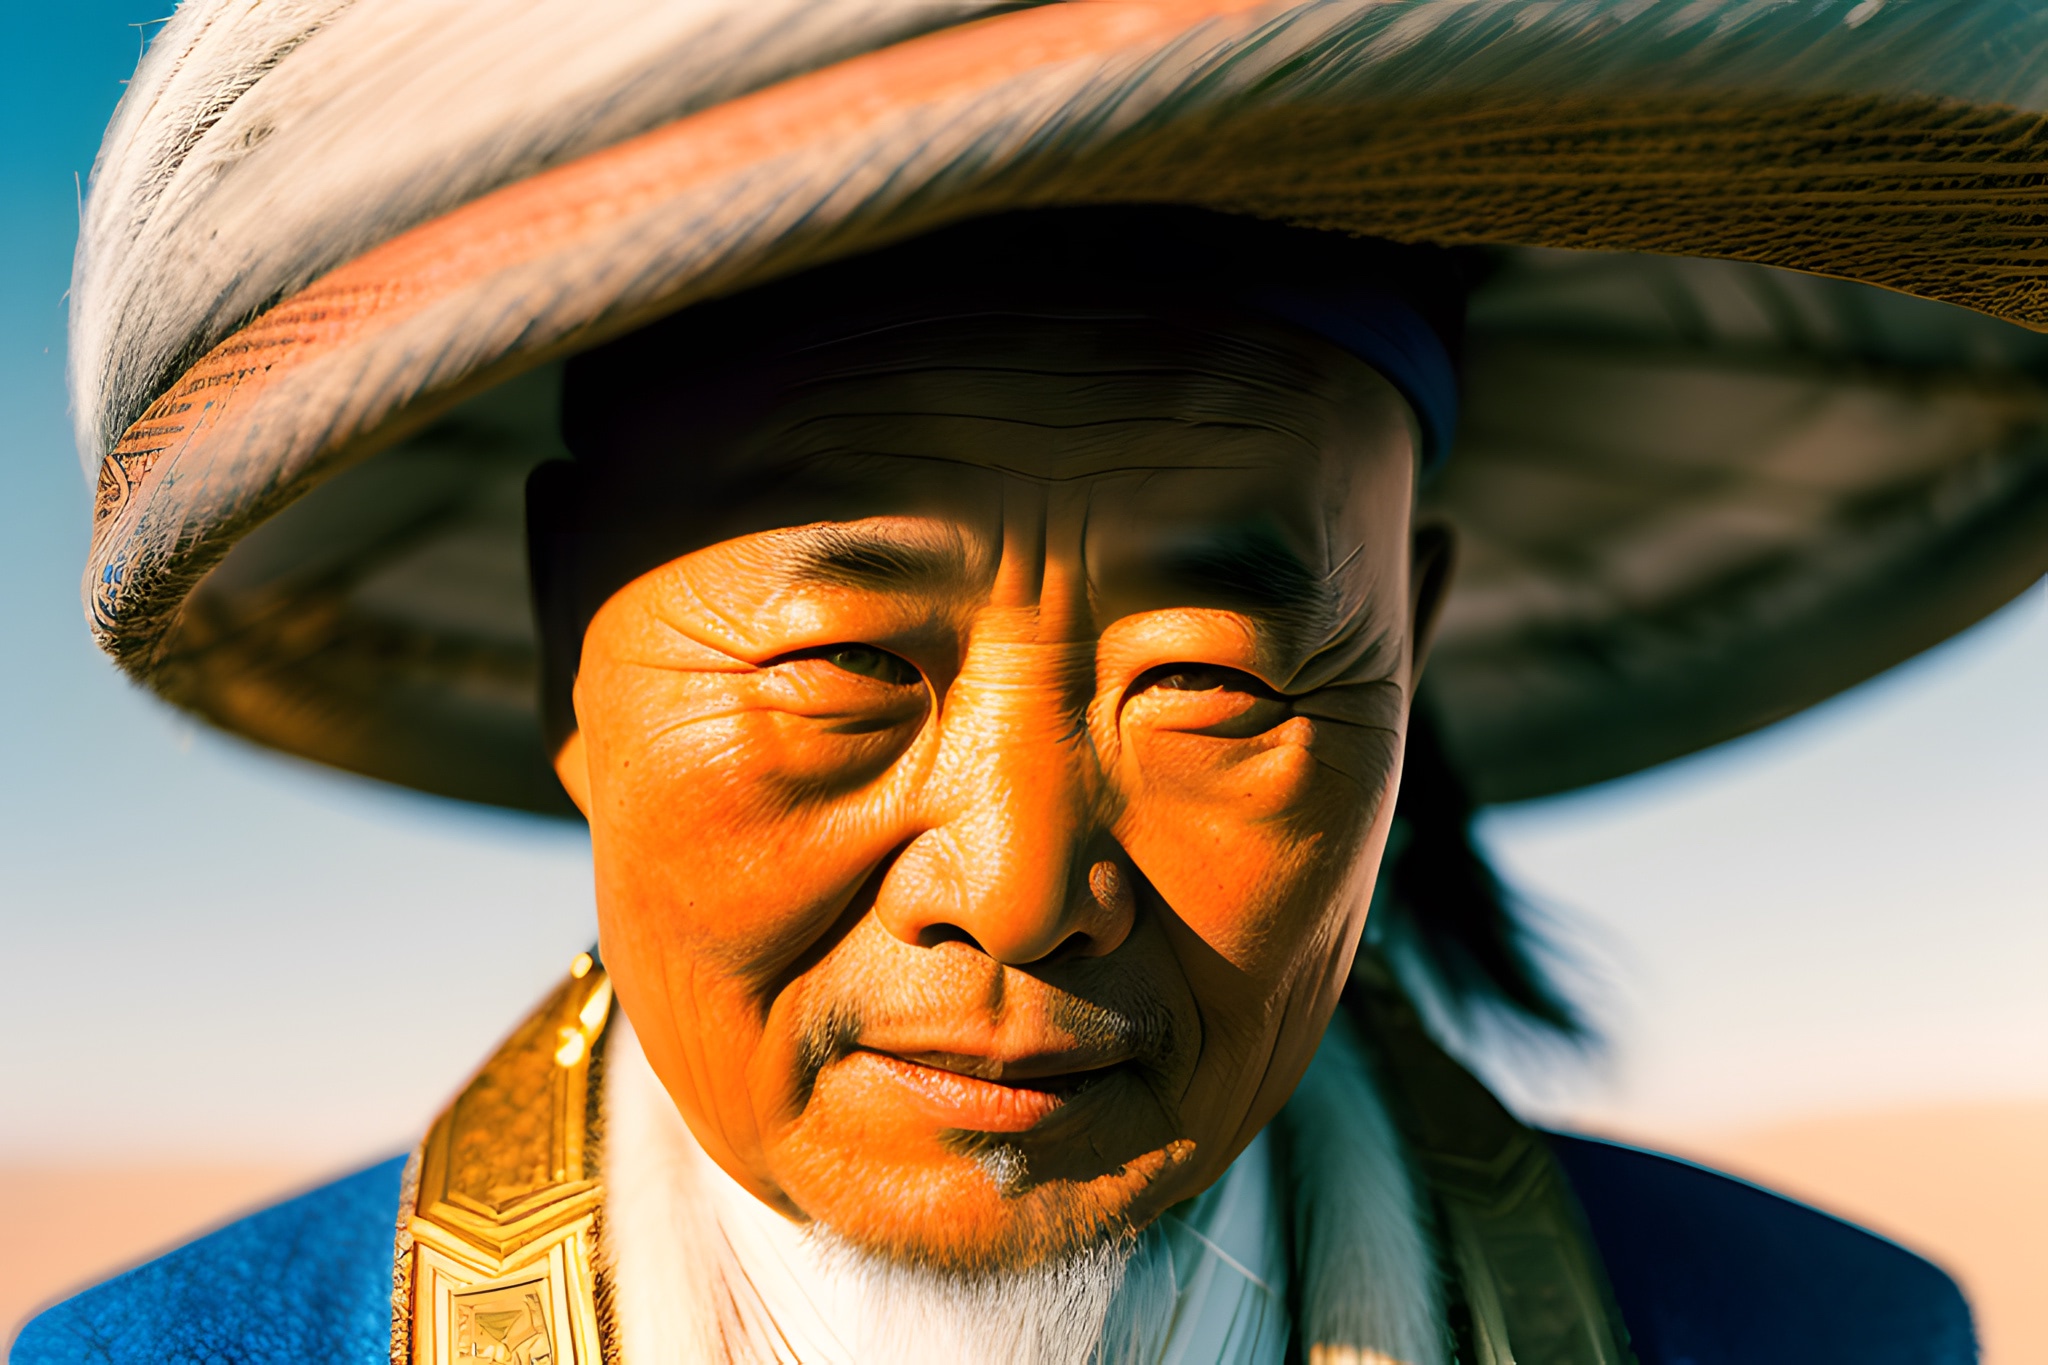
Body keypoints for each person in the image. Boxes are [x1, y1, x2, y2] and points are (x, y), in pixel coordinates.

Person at [21, 2, 2048, 1362]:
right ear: (575, 631)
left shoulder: (1812, 1329)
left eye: (1214, 682)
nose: (1015, 883)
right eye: (844, 664)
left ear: (1405, 656)